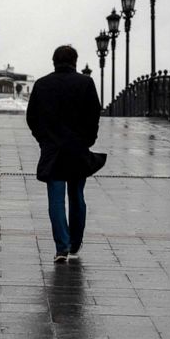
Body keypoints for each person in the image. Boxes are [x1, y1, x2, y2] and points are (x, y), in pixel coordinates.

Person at [26, 45, 105, 263]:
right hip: (77, 149)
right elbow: (94, 114)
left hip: (53, 150)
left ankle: (61, 247)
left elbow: (32, 117)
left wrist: (44, 140)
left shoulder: (42, 84)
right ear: (75, 61)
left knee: (56, 199)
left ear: (54, 61)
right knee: (77, 196)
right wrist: (88, 140)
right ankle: (74, 243)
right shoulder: (85, 83)